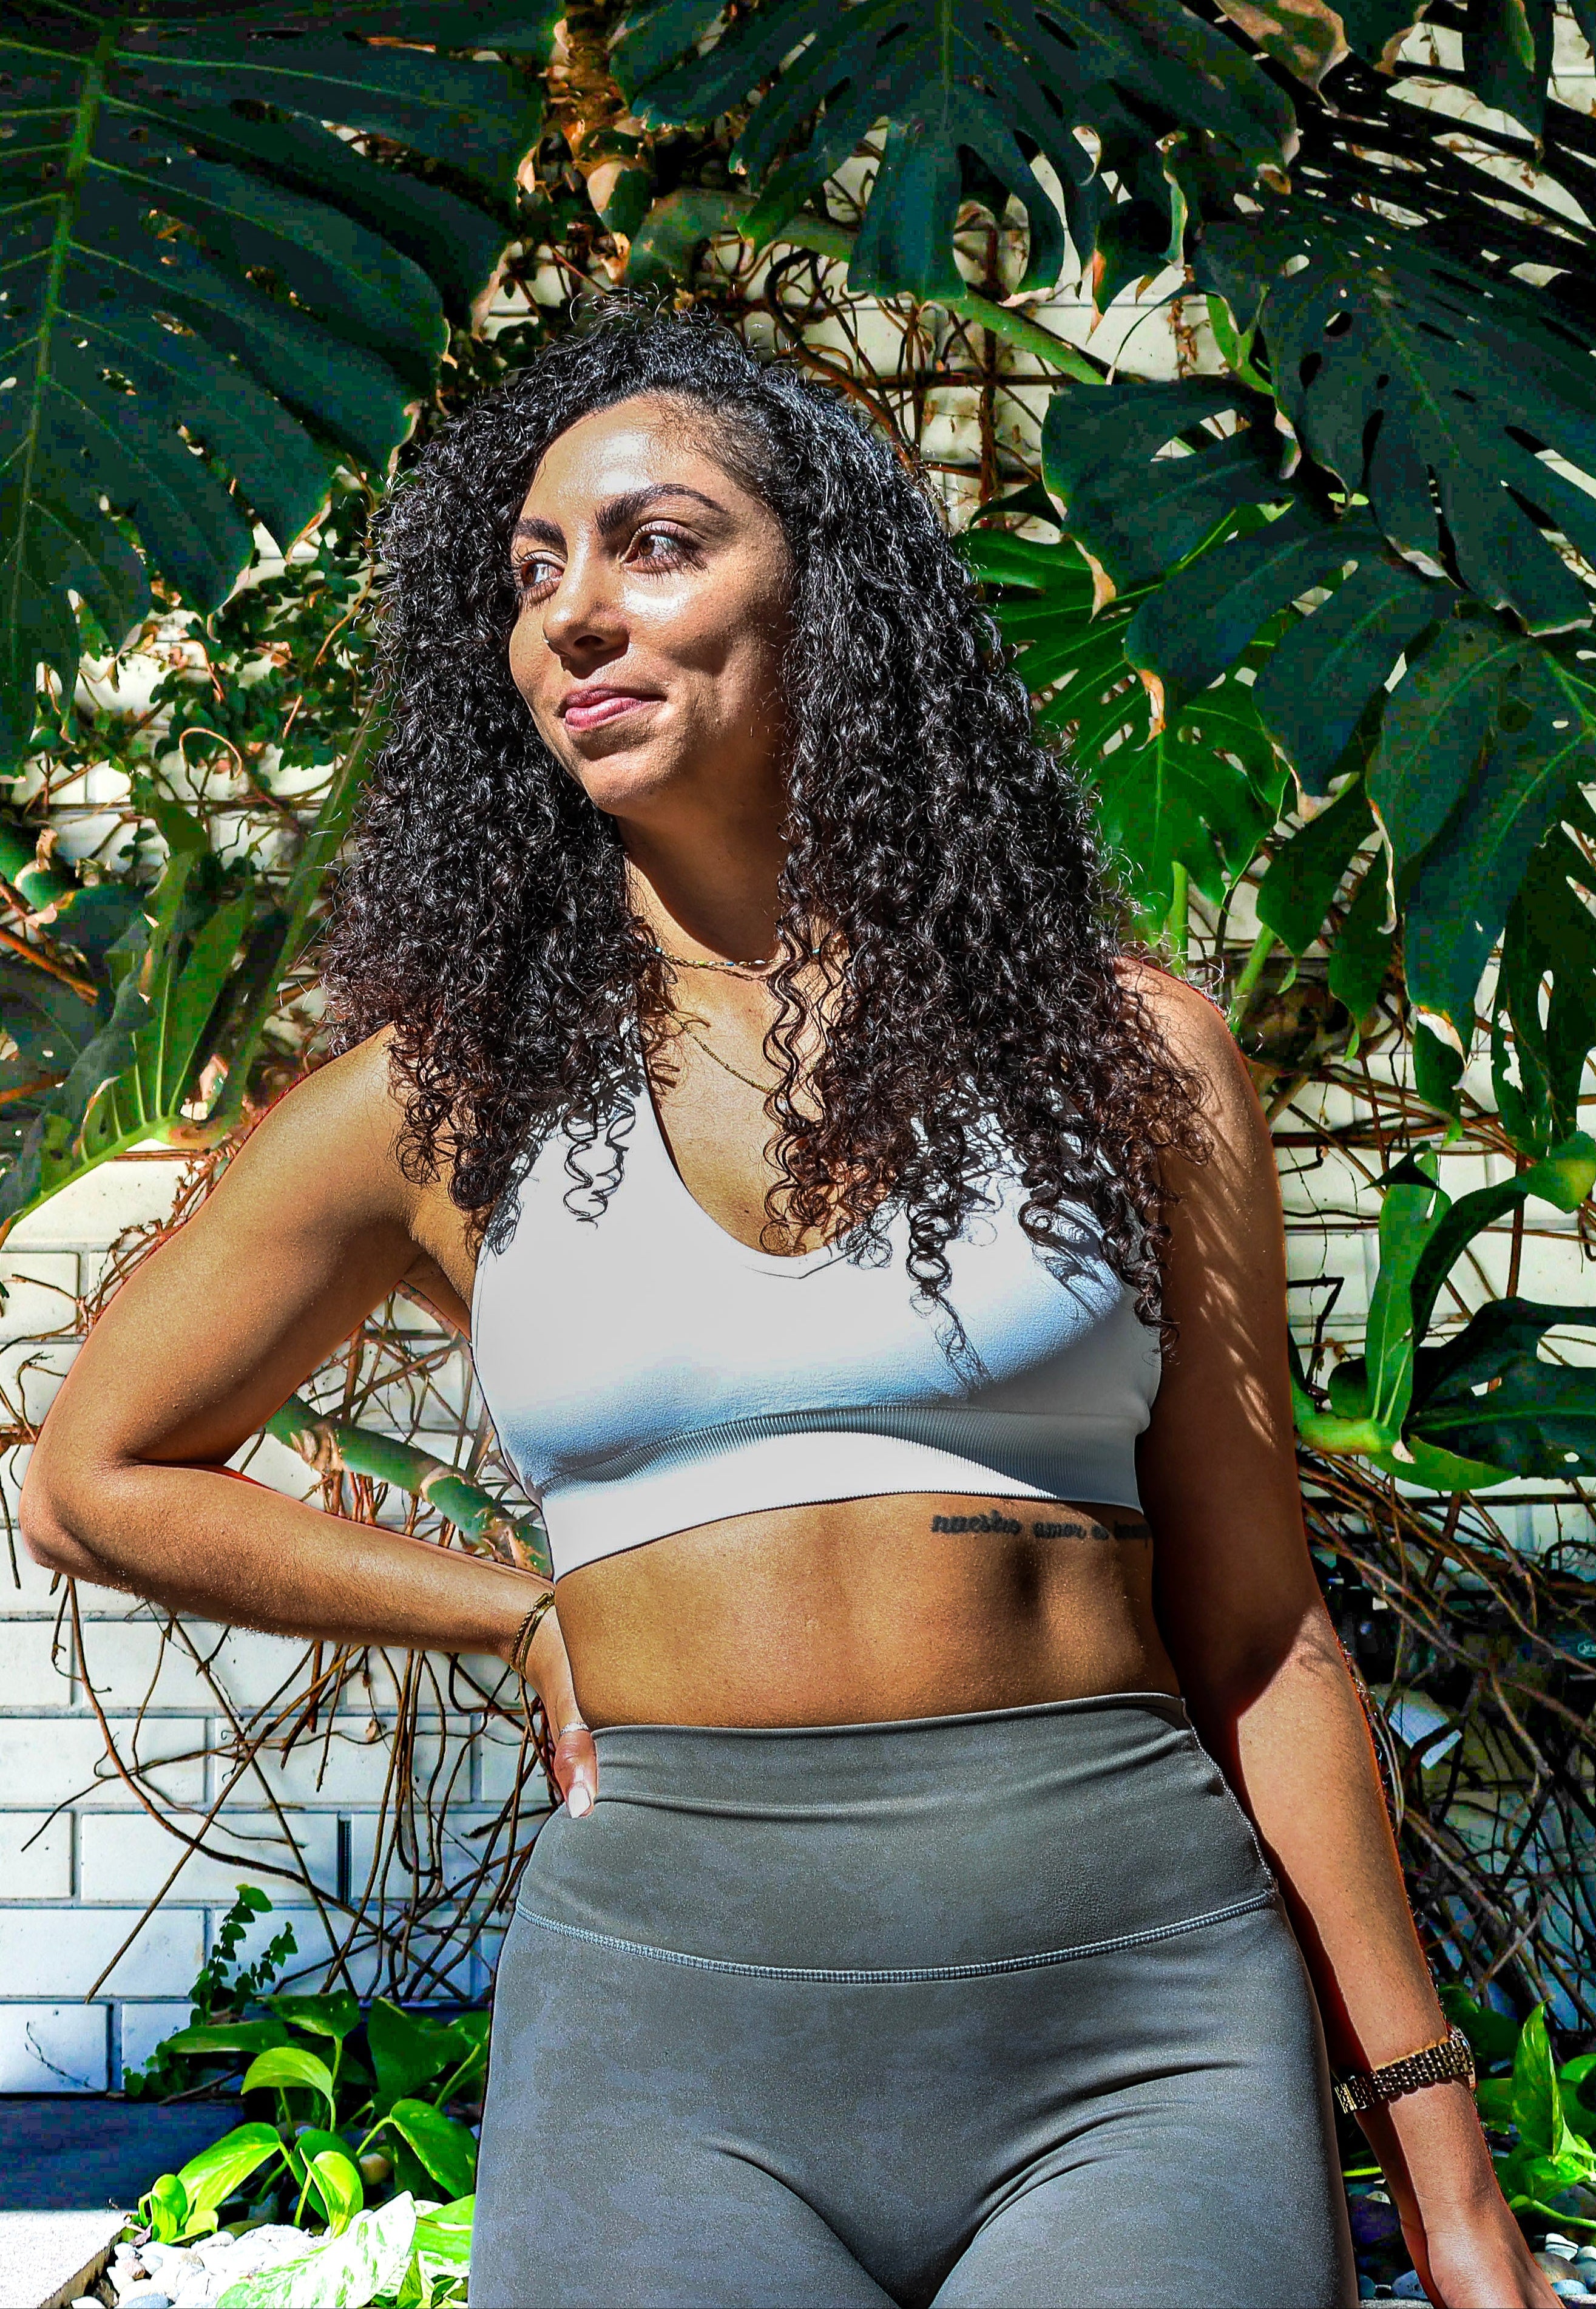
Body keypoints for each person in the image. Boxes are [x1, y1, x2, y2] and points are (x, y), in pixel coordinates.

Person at [19, 310, 1551, 2309]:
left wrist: (1447, 2176)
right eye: (532, 574)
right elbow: (95, 1474)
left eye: (655, 544)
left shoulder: (1125, 1055)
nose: (575, 614)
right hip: (668, 2050)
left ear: (836, 600)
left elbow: (1265, 1639)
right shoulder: (442, 1095)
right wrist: (519, 1607)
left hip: (1139, 2022)